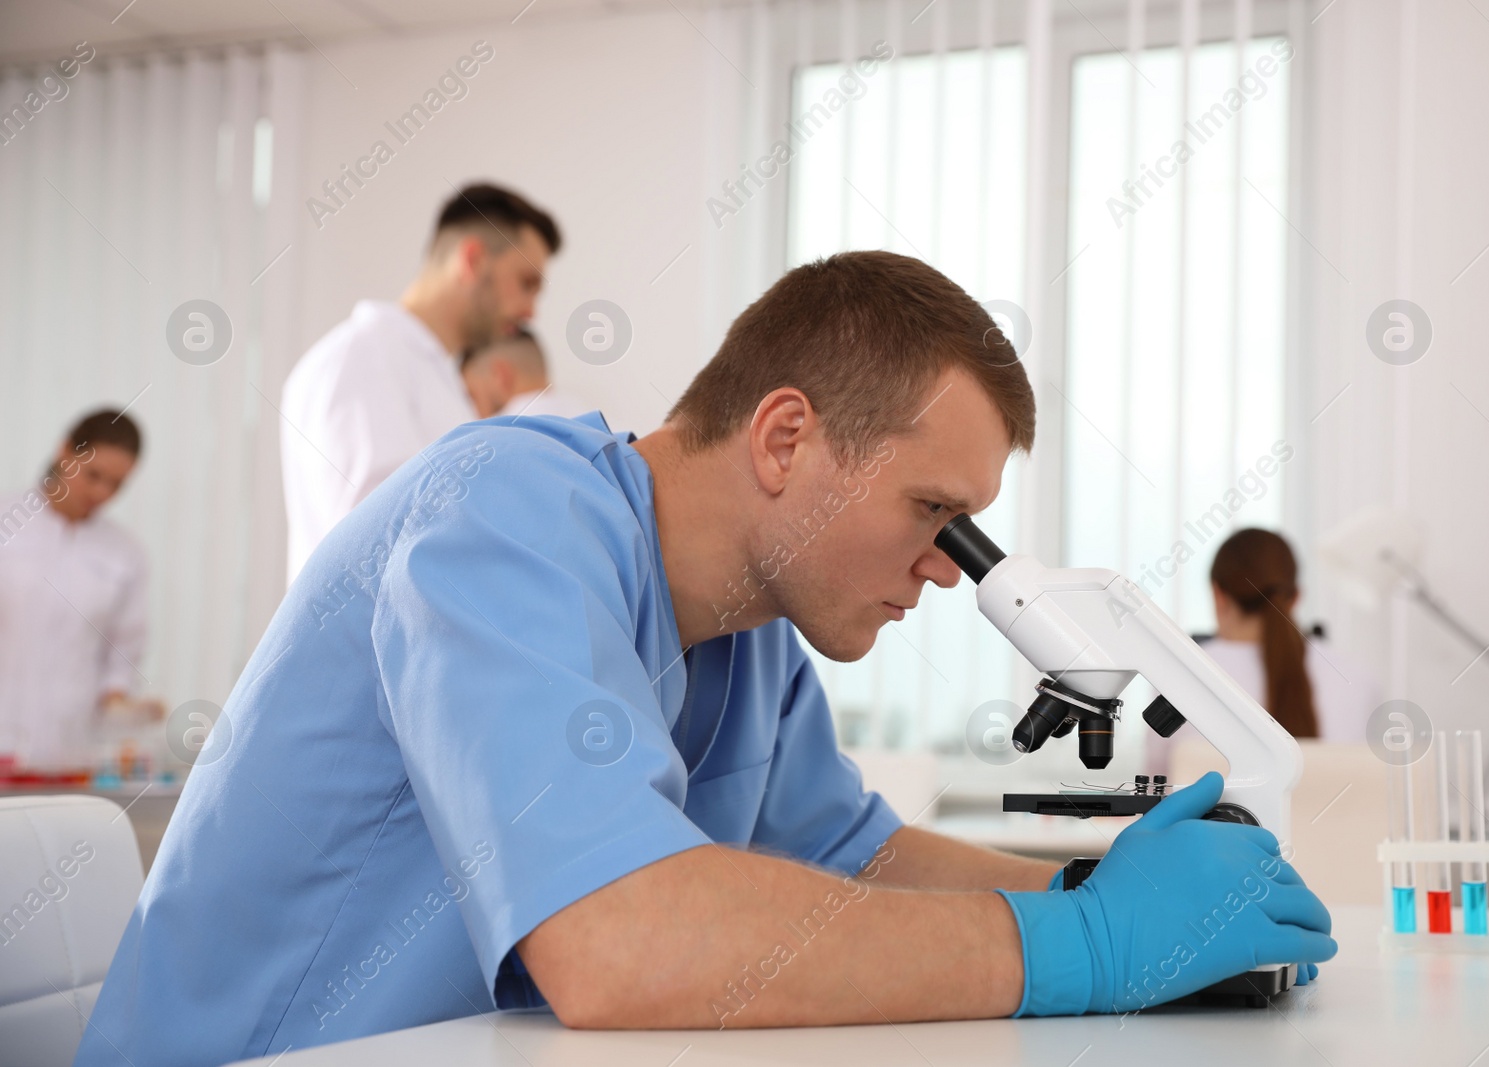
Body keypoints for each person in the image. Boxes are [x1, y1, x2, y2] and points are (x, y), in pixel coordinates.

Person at [77, 253, 1333, 1066]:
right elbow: (619, 942)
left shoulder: (743, 642)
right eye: (931, 512)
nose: (950, 567)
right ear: (787, 437)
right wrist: (1095, 950)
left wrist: (1088, 890)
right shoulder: (504, 509)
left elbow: (861, 857)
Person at [280, 182, 562, 582]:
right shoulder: (365, 357)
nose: (531, 311)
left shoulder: (432, 378)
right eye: (526, 283)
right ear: (473, 260)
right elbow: (378, 547)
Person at [0, 411, 158, 768]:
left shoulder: (124, 553)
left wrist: (121, 702)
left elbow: (123, 651)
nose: (102, 493)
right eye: (94, 475)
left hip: (69, 753)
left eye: (117, 484)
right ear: (65, 452)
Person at [1202, 528, 1379, 743]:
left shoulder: (1180, 676)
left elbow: (1158, 775)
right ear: (1295, 598)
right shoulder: (1357, 678)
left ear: (1218, 595)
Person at [460, 326, 591, 419]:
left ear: (501, 376)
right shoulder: (601, 424)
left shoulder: (493, 440)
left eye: (472, 395)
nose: (474, 410)